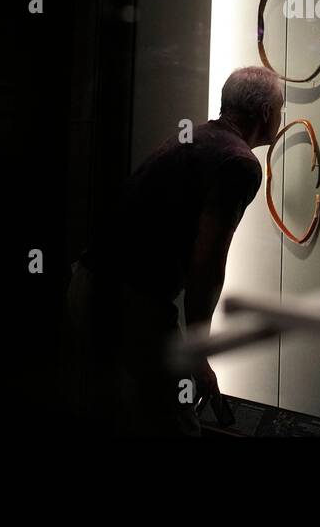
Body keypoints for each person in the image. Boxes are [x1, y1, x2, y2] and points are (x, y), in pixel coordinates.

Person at [63, 66, 283, 436]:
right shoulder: (240, 164)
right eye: (281, 108)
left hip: (89, 286)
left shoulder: (197, 136)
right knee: (175, 427)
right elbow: (207, 264)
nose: (280, 116)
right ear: (265, 114)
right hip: (131, 304)